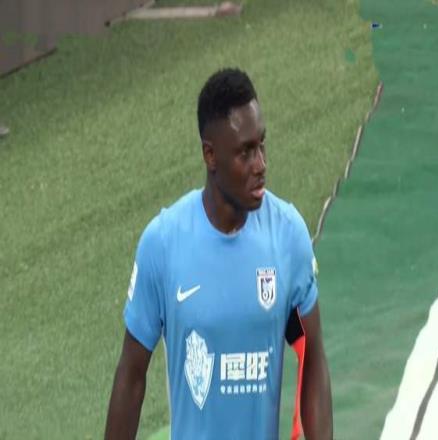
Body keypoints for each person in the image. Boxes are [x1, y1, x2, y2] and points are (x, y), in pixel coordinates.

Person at [105, 68, 333, 440]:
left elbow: (314, 359)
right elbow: (131, 378)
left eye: (262, 145)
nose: (261, 165)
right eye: (245, 152)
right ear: (210, 155)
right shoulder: (163, 243)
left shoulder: (287, 234)